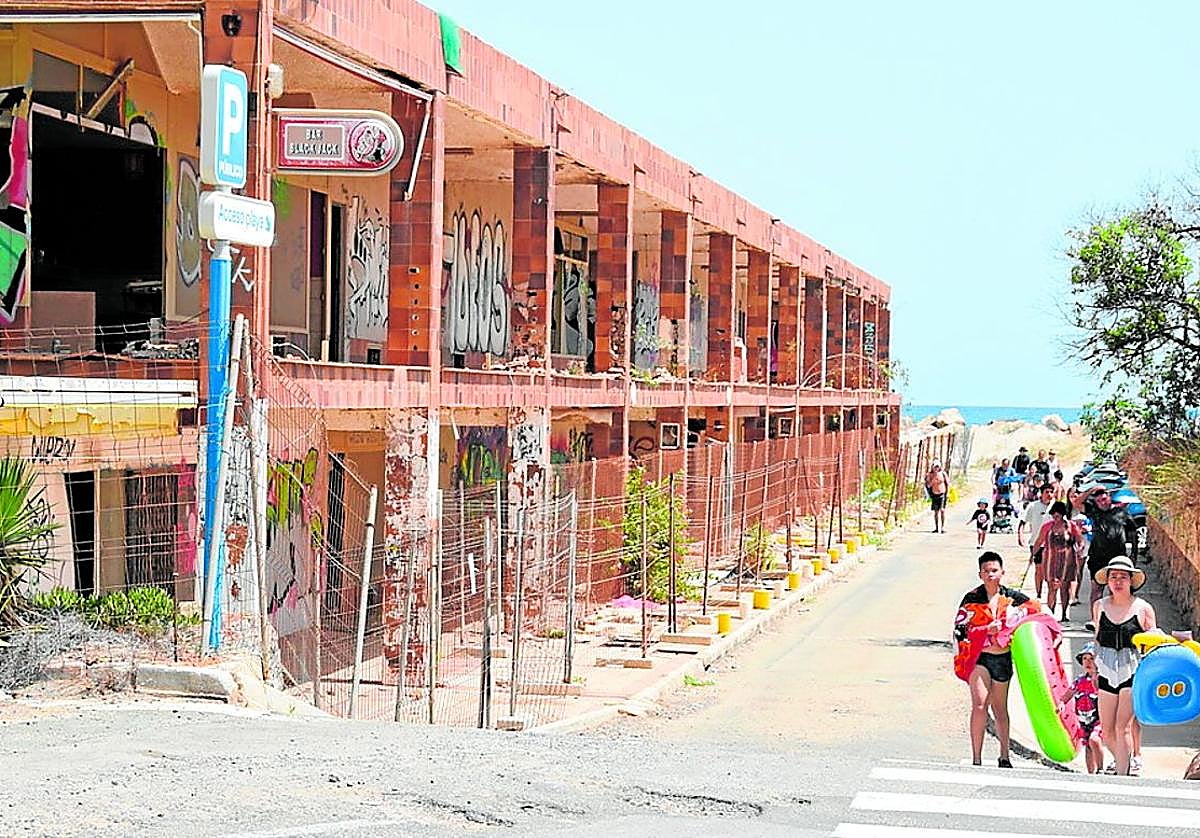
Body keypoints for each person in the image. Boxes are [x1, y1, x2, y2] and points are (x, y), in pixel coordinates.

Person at [953, 552, 1041, 767]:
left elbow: (1036, 613)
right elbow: (960, 630)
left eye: (994, 570)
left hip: (1002, 659)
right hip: (979, 658)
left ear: (1002, 572)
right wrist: (985, 629)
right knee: (980, 704)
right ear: (980, 574)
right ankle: (976, 758)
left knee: (1000, 708)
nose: (991, 575)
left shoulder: (1012, 599)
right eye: (986, 571)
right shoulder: (971, 599)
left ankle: (1004, 756)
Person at [1091, 555, 1156, 776]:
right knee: (1107, 731)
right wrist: (1094, 667)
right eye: (1113, 577)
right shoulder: (1099, 606)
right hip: (1106, 669)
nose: (1118, 581)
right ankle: (1123, 761)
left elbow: (1153, 642)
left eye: (1123, 577)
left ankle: (1122, 775)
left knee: (1123, 726)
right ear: (1107, 580)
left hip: (1133, 669)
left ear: (1131, 581)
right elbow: (1098, 638)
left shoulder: (1143, 608)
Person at [1081, 484, 1140, 616]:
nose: (1102, 503)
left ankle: (1115, 617)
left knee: (1116, 590)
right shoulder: (1094, 512)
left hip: (1118, 557)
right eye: (1099, 501)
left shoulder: (1121, 513)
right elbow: (1077, 503)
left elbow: (1133, 534)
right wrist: (1091, 490)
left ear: (1109, 497)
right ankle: (1096, 620)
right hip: (1097, 557)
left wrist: (1134, 555)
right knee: (1096, 590)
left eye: (1104, 499)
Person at [1031, 501, 1084, 622]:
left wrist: (1078, 550)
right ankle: (1051, 614)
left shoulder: (1071, 526)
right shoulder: (1047, 526)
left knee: (1065, 587)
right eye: (1053, 515)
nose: (1055, 517)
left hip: (1067, 560)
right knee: (1051, 587)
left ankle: (1064, 614)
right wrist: (1033, 555)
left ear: (1062, 514)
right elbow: (1039, 542)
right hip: (1050, 560)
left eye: (1058, 515)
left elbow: (1080, 541)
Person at [1072, 641, 1104, 774]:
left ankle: (1100, 768)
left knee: (1094, 740)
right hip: (1084, 720)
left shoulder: (1102, 680)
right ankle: (1090, 773)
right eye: (1084, 658)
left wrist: (1096, 679)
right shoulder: (1080, 681)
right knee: (1088, 746)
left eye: (1091, 658)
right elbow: (1069, 692)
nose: (1087, 662)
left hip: (1099, 719)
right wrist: (1061, 703)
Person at [1017, 484, 1055, 599]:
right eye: (1046, 492)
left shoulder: (1055, 507)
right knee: (1039, 569)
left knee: (1050, 571)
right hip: (1036, 543)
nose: (1049, 495)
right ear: (1041, 493)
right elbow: (1023, 521)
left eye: (1051, 492)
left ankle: (1050, 593)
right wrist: (1020, 535)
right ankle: (1038, 594)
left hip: (1052, 544)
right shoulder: (1033, 506)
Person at [925, 461, 950, 533]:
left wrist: (947, 493)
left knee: (942, 510)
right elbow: (928, 485)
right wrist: (933, 480)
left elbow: (947, 483)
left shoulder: (943, 474)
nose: (936, 468)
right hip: (934, 495)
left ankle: (942, 527)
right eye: (935, 467)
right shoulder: (930, 475)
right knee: (936, 512)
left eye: (937, 467)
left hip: (942, 494)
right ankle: (936, 528)